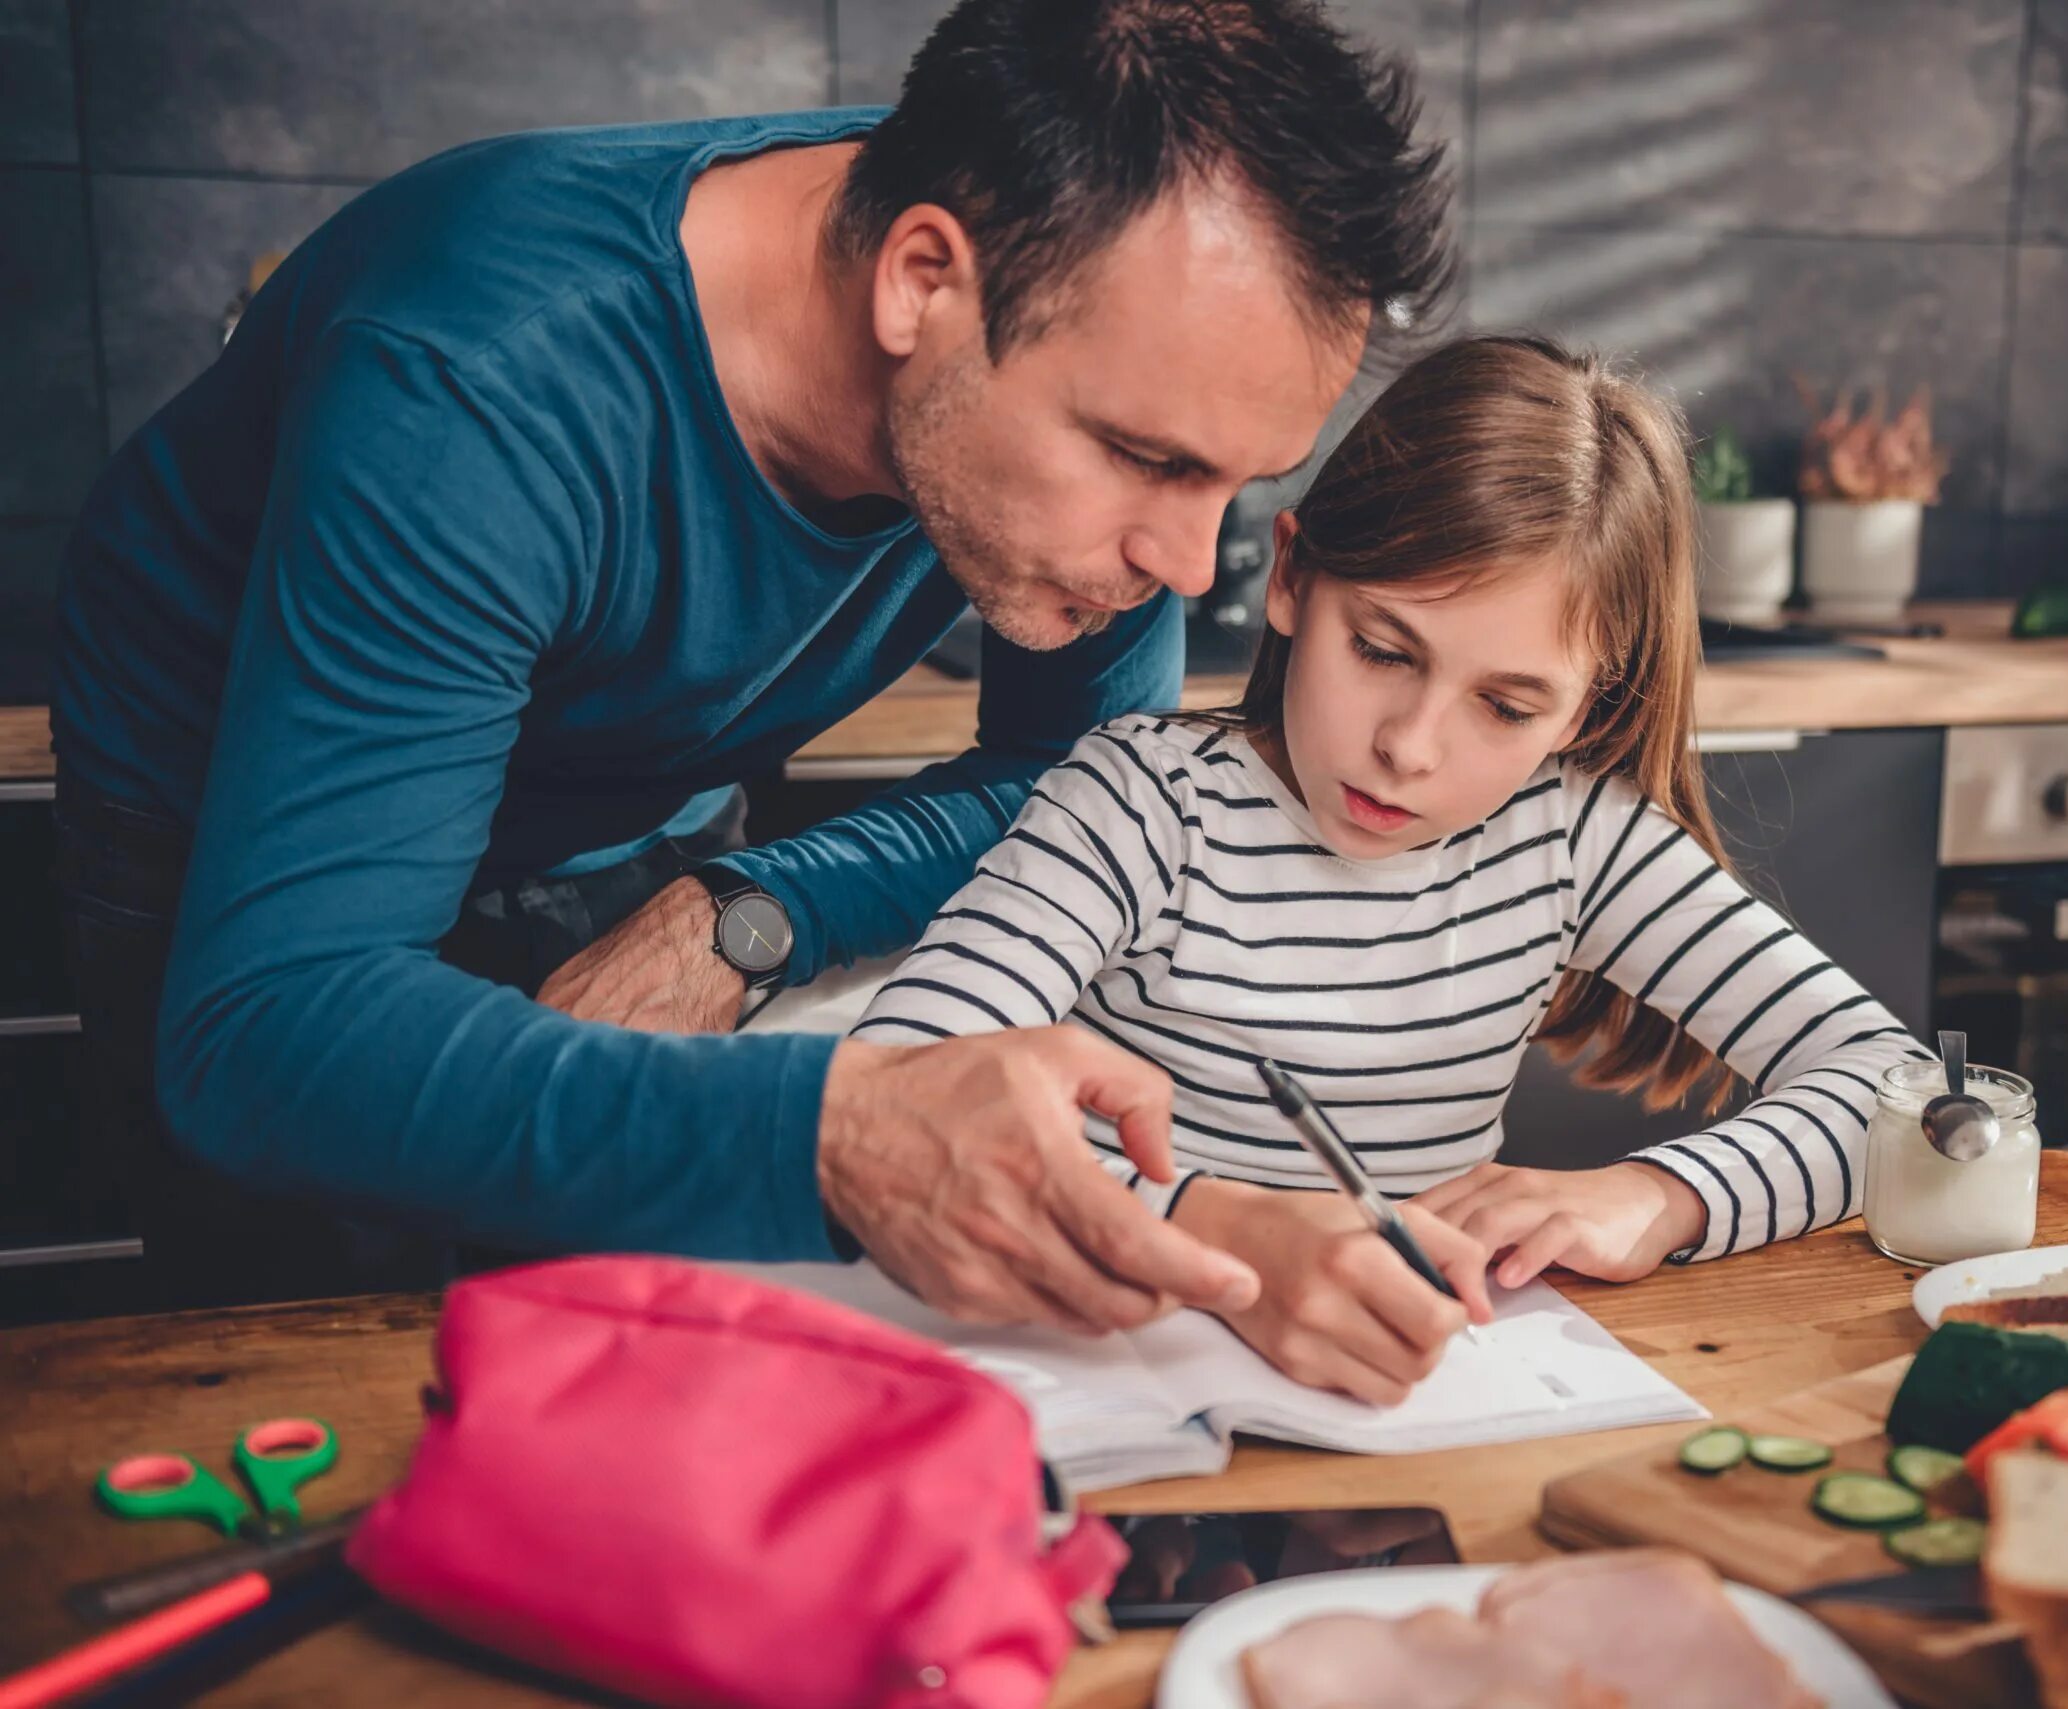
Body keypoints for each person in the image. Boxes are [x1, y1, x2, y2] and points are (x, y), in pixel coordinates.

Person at [45, 0, 1453, 1319]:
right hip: (238, 836)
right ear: (922, 283)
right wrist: (835, 1133)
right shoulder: (486, 373)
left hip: (645, 798)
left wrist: (747, 904)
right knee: (318, 1342)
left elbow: (1079, 783)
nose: (1193, 565)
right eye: (1150, 460)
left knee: (628, 1355)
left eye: (1237, 485)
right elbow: (273, 1031)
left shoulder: (1078, 289)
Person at [853, 335, 1932, 1403]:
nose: (1409, 747)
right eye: (1381, 649)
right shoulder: (1140, 808)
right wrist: (1206, 1229)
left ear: (1583, 711)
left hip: (1402, 1401)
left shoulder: (1574, 841)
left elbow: (1907, 1093)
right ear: (1291, 577)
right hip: (1120, 1378)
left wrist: (1655, 1196)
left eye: (1506, 706)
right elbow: (892, 1094)